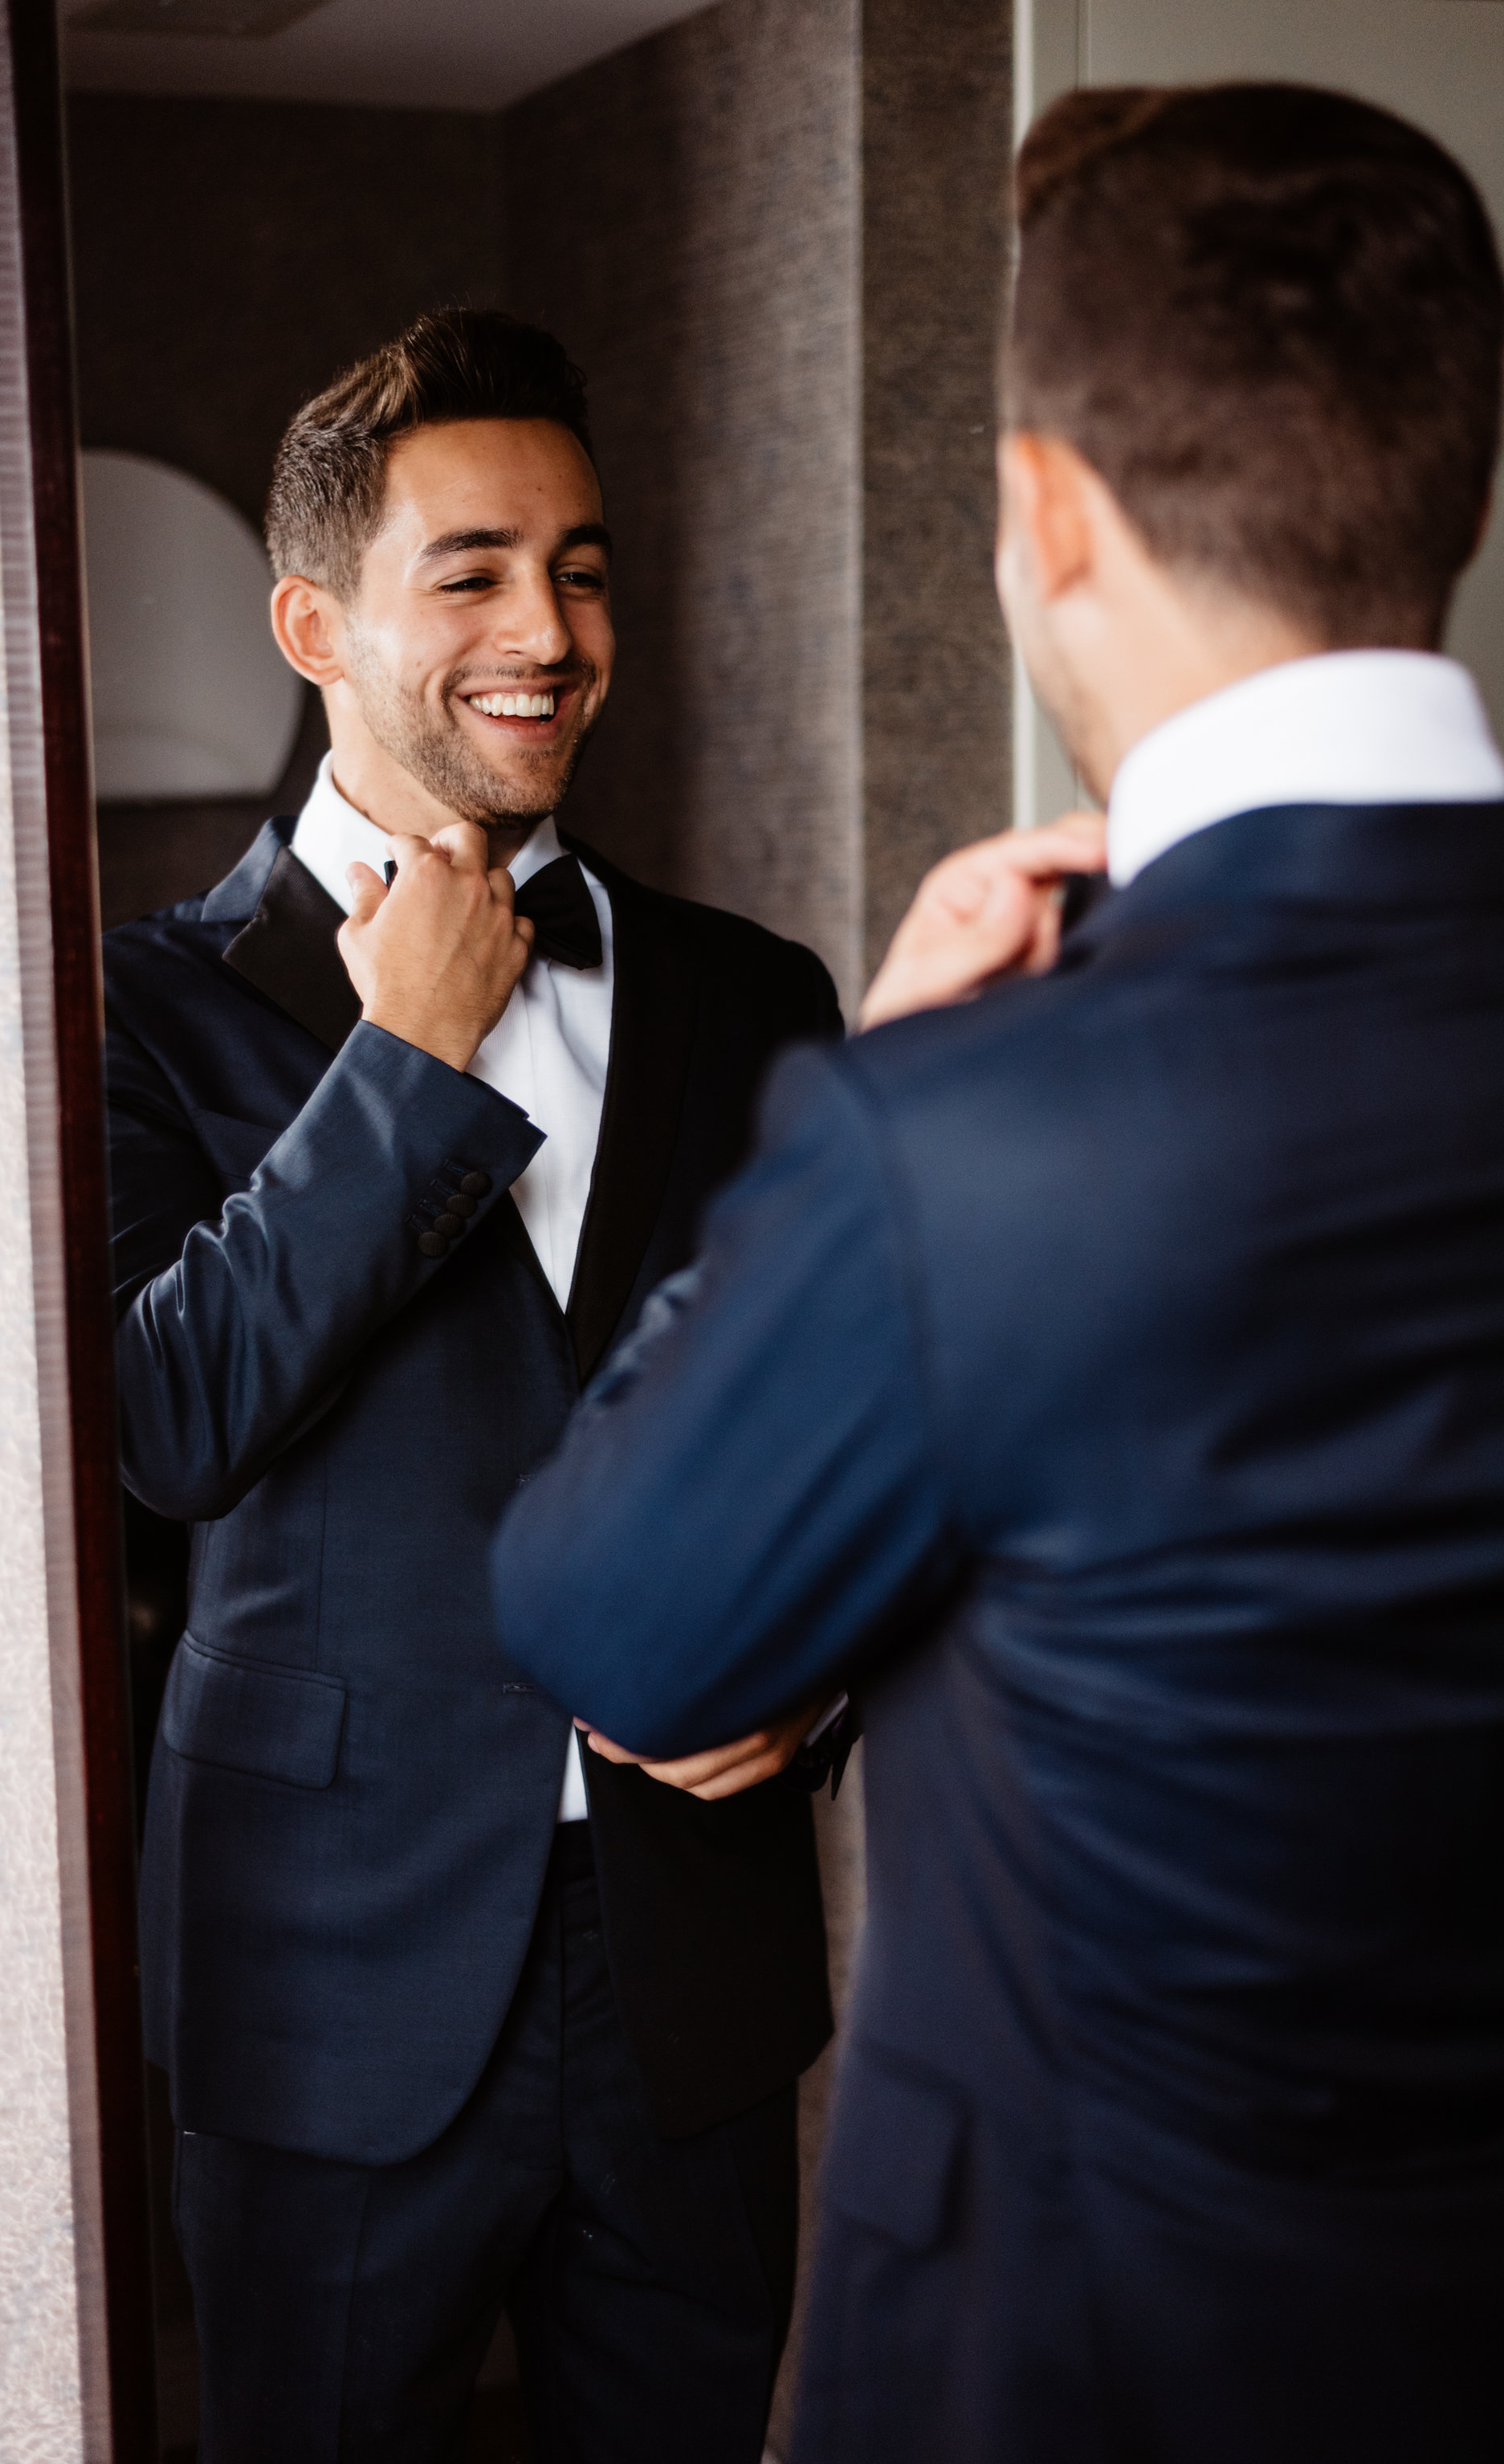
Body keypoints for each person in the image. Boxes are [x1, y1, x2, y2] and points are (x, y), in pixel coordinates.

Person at [493, 84, 1504, 2463]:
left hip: (1083, 2357)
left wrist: (875, 1103)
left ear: (1045, 510)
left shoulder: (958, 1134)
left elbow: (614, 1610)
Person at [105, 308, 850, 2463]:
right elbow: (167, 1419)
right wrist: (400, 1059)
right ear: (310, 621)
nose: (552, 627)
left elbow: (852, 1431)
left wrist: (819, 1678)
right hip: (324, 1975)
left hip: (687, 1978)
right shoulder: (131, 1011)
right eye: (478, 571)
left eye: (586, 565)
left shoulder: (748, 993)